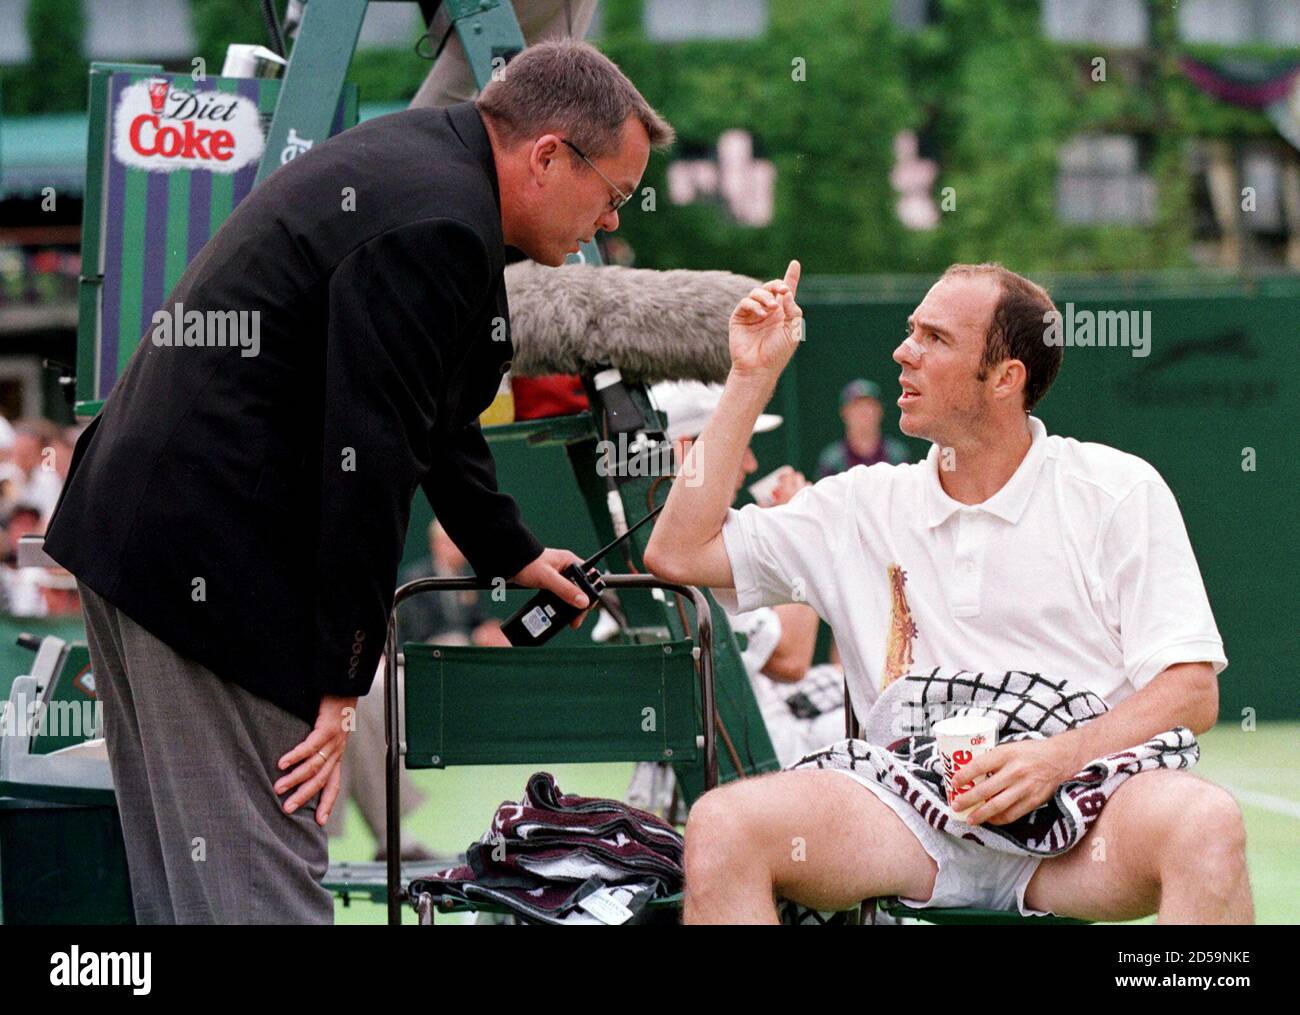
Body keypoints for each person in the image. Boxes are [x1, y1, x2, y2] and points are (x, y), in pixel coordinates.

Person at [43, 40, 673, 924]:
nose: (609, 223)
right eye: (613, 195)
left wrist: (513, 553)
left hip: (139, 536)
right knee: (257, 893)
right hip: (205, 566)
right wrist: (344, 685)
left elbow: (430, 421)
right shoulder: (440, 222)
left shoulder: (428, 171)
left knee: (188, 896)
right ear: (547, 157)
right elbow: (370, 458)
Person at [645, 261, 1251, 925]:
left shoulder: (1117, 490)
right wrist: (752, 374)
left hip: (1085, 814)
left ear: (1005, 379)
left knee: (1206, 822)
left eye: (935, 339)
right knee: (725, 827)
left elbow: (1192, 692)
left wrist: (1057, 758)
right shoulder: (860, 503)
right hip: (910, 818)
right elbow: (677, 552)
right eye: (911, 331)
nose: (903, 351)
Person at [815, 378, 910, 479]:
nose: (863, 412)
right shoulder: (832, 461)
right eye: (857, 406)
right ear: (844, 413)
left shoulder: (896, 456)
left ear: (880, 411)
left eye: (869, 406)